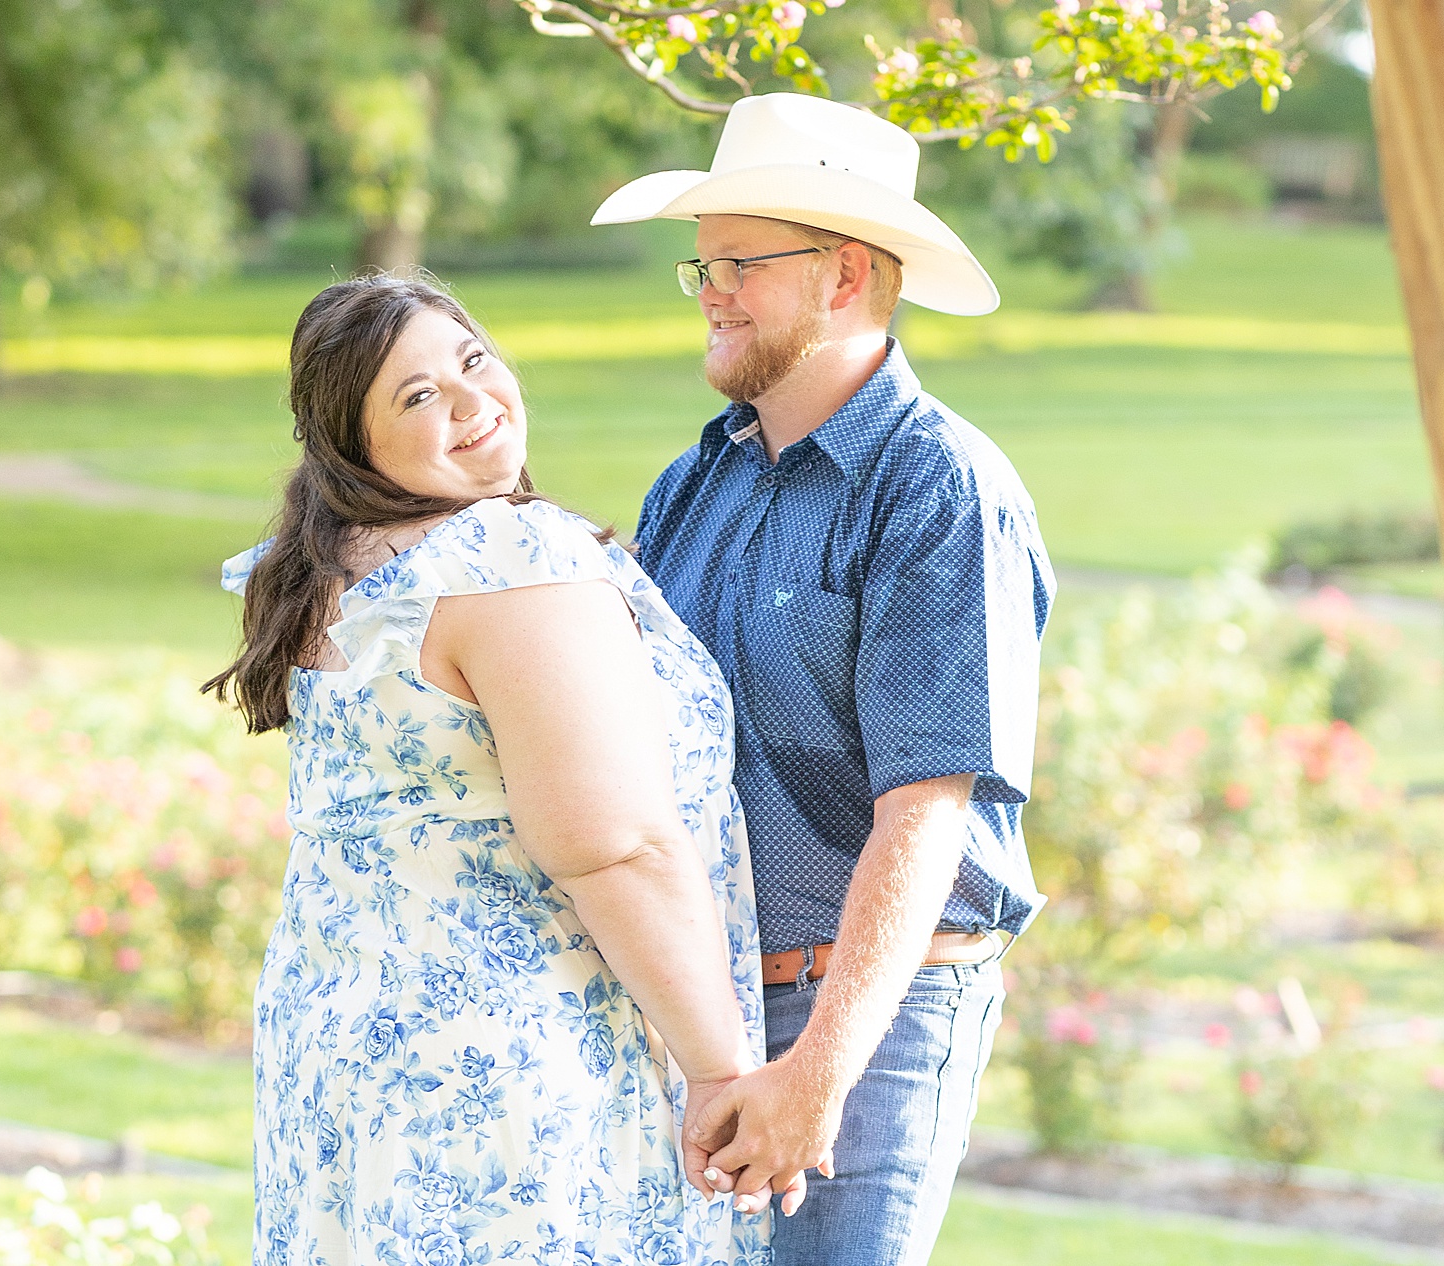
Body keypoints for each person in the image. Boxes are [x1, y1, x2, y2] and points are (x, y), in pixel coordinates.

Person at [205, 273, 791, 1265]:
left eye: (472, 362)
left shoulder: (336, 566)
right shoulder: (508, 559)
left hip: (346, 1048)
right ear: (355, 445)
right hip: (509, 1061)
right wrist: (721, 1072)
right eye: (417, 396)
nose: (472, 403)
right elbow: (617, 846)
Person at [590, 92, 1056, 1263]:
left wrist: (820, 1070)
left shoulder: (937, 488)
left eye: (740, 262)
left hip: (868, 1024)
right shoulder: (695, 481)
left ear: (845, 274)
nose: (709, 288)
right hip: (703, 1013)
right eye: (702, 262)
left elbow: (928, 804)